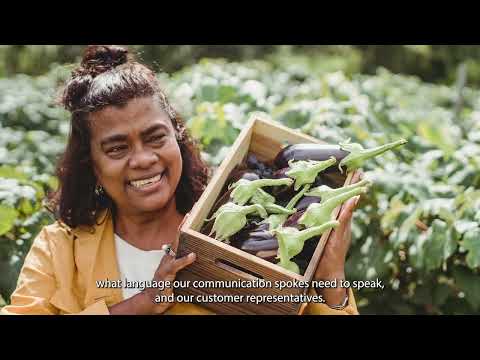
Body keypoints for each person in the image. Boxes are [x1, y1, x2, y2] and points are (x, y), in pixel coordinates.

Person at [1, 45, 359, 315]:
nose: (143, 159)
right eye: (116, 148)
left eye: (156, 138)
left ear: (178, 139)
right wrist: (140, 304)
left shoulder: (240, 234)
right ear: (90, 164)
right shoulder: (59, 249)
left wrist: (330, 277)